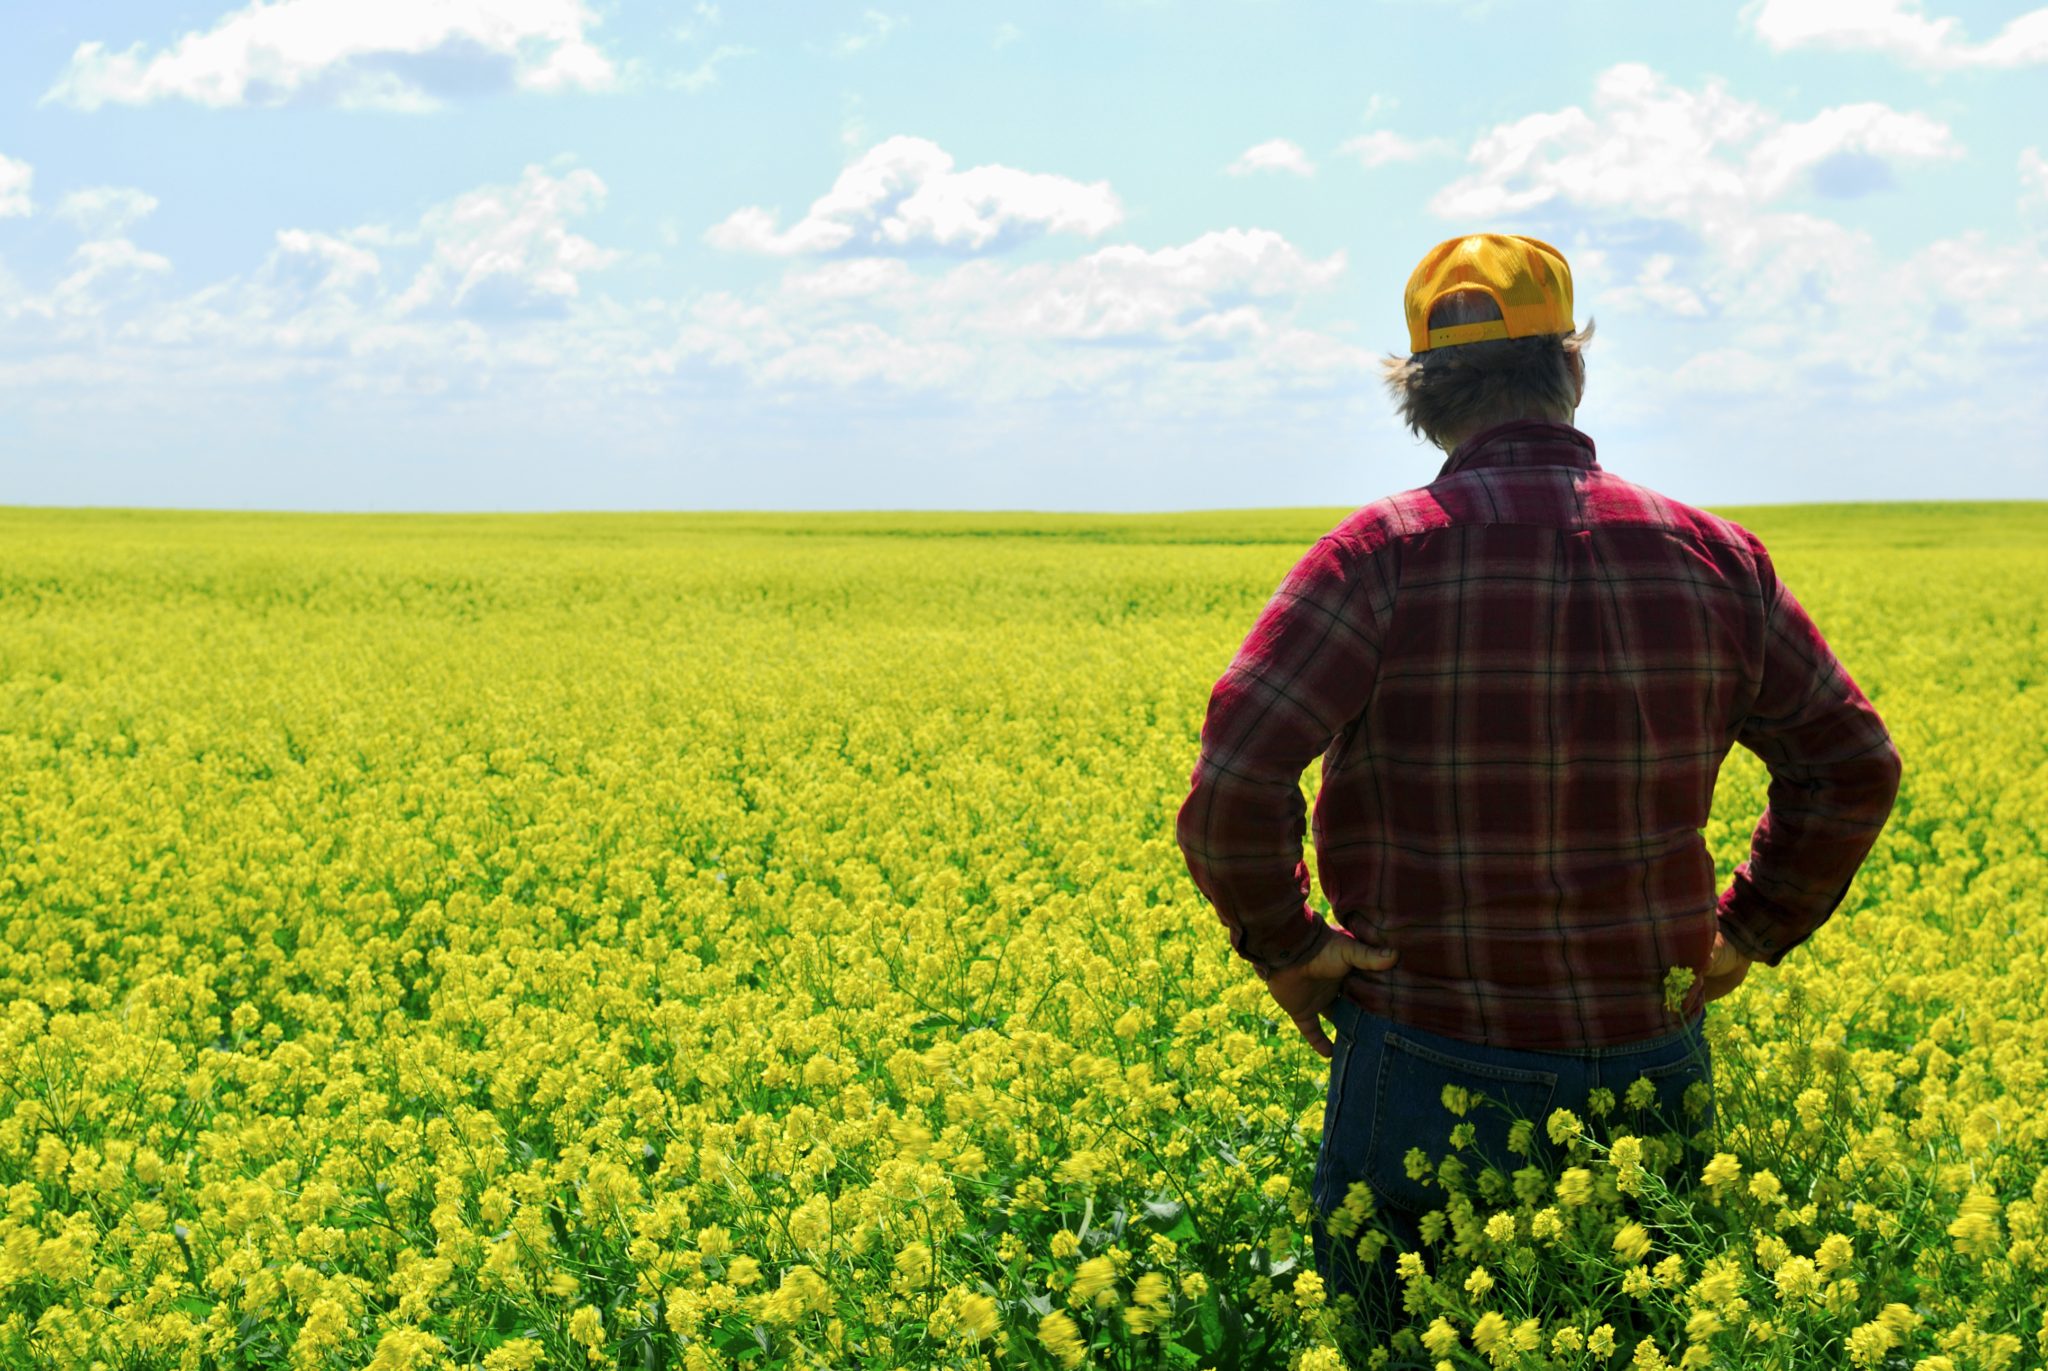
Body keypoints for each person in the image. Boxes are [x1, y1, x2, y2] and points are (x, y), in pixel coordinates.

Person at [1173, 233, 1903, 1350]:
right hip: (1645, 1047)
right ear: (1571, 369)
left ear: (1419, 394)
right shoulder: (1712, 557)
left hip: (1425, 1044)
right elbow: (1849, 764)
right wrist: (1750, 929)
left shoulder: (1375, 557)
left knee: (1399, 1341)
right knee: (1639, 1337)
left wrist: (1287, 947)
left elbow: (1234, 782)